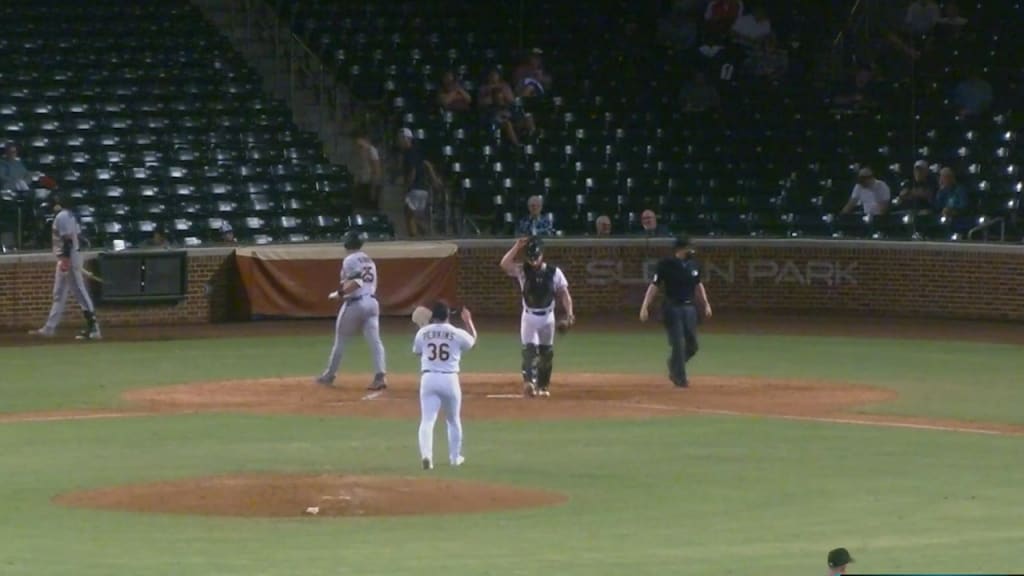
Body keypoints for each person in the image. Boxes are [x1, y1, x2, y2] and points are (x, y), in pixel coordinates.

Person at [500, 236, 574, 397]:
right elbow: (504, 264)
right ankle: (529, 383)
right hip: (529, 317)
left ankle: (543, 386)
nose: (533, 261)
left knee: (546, 353)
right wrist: (516, 246)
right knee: (529, 350)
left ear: (542, 254)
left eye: (536, 257)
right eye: (531, 258)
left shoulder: (554, 272)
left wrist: (569, 314)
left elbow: (564, 294)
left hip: (548, 317)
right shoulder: (522, 271)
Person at [315, 230, 388, 391]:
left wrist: (339, 293)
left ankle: (329, 375)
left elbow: (357, 281)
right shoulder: (369, 260)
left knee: (340, 341)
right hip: (372, 302)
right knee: (375, 341)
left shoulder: (350, 259)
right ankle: (380, 376)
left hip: (355, 303)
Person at [638, 234, 712, 388]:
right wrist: (645, 306)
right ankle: (680, 378)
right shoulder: (666, 264)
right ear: (681, 249)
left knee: (692, 345)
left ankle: (673, 364)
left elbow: (699, 285)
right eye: (689, 247)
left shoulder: (693, 265)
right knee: (678, 343)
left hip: (689, 308)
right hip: (672, 308)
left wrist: (706, 303)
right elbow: (654, 286)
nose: (692, 250)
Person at [28, 194, 102, 340]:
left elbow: (68, 239)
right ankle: (49, 328)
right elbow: (77, 236)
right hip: (66, 257)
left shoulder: (63, 216)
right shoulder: (69, 215)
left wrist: (67, 259)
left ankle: (94, 328)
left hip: (68, 257)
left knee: (79, 291)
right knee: (59, 293)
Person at [413, 302, 477, 470]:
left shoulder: (422, 332)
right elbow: (473, 342)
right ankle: (455, 458)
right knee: (453, 420)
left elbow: (418, 351)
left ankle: (427, 456)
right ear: (448, 315)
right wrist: (468, 321)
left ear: (432, 316)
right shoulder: (457, 333)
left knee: (427, 420)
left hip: (428, 378)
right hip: (450, 380)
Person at [397, 127, 443, 237]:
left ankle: (416, 239)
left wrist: (407, 187)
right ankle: (426, 236)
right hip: (423, 189)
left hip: (415, 188)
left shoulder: (409, 153)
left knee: (410, 216)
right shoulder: (417, 151)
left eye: (400, 139)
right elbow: (427, 164)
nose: (399, 142)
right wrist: (434, 179)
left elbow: (412, 171)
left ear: (406, 139)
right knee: (415, 216)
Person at [353, 130, 382, 210]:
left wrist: (373, 187)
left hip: (370, 184)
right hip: (362, 183)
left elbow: (376, 170)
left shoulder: (372, 151)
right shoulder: (361, 151)